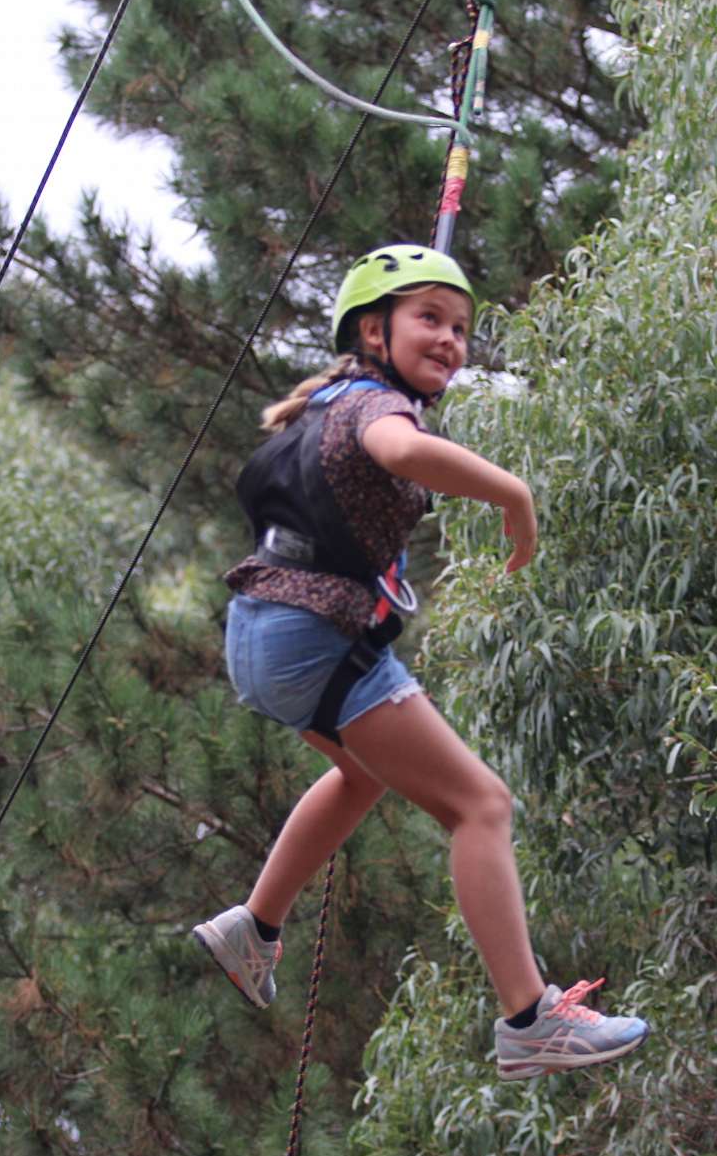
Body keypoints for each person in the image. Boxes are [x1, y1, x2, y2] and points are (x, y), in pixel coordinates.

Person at [193, 244, 648, 1080]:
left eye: (461, 328)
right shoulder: (374, 404)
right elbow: (400, 452)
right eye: (429, 319)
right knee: (481, 804)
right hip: (312, 639)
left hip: (260, 637)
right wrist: (513, 494)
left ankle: (253, 927)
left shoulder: (325, 401)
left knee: (361, 777)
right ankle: (530, 1018)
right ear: (375, 331)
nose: (450, 340)